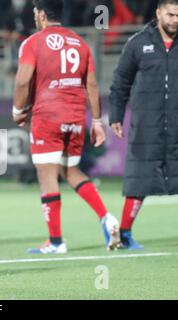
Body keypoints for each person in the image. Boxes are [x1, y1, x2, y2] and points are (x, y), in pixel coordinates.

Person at [12, 0, 121, 254]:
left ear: (41, 15)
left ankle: (56, 241)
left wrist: (18, 111)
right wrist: (96, 121)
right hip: (74, 117)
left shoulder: (33, 42)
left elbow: (22, 81)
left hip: (47, 115)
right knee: (71, 171)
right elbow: (91, 85)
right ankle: (106, 217)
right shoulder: (80, 43)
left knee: (47, 175)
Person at [109, 0, 178, 250]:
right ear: (159, 13)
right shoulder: (138, 43)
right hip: (147, 124)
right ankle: (125, 234)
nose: (175, 20)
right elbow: (120, 83)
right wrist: (115, 115)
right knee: (140, 178)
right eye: (170, 14)